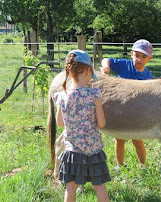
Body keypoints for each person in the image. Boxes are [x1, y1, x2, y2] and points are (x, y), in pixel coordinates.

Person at [53, 49, 111, 202]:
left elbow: (60, 123)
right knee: (99, 186)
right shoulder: (93, 95)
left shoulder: (62, 96)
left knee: (70, 188)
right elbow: (102, 123)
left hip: (72, 153)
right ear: (87, 71)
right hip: (93, 151)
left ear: (69, 72)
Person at [100, 39, 154, 167]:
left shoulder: (149, 77)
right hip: (120, 110)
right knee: (119, 139)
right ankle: (120, 165)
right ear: (131, 54)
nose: (139, 60)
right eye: (137, 56)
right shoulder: (124, 65)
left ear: (149, 59)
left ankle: (142, 165)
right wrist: (106, 68)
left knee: (138, 140)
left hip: (137, 114)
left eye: (143, 57)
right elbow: (106, 60)